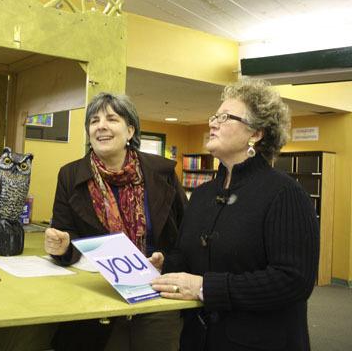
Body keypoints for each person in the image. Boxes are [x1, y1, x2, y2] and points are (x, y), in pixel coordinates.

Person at [151, 79, 319, 351]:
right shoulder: (203, 194)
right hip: (198, 340)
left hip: (259, 341)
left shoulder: (285, 194)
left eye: (225, 117)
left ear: (256, 134)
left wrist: (206, 288)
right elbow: (187, 256)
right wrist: (165, 265)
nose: (212, 124)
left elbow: (293, 281)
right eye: (214, 116)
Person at [45, 92, 186, 351]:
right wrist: (63, 245)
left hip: (156, 292)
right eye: (94, 120)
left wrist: (167, 260)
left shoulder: (162, 172)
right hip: (96, 295)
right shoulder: (70, 175)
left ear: (130, 130)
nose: (101, 126)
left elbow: (185, 235)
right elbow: (67, 235)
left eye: (112, 119)